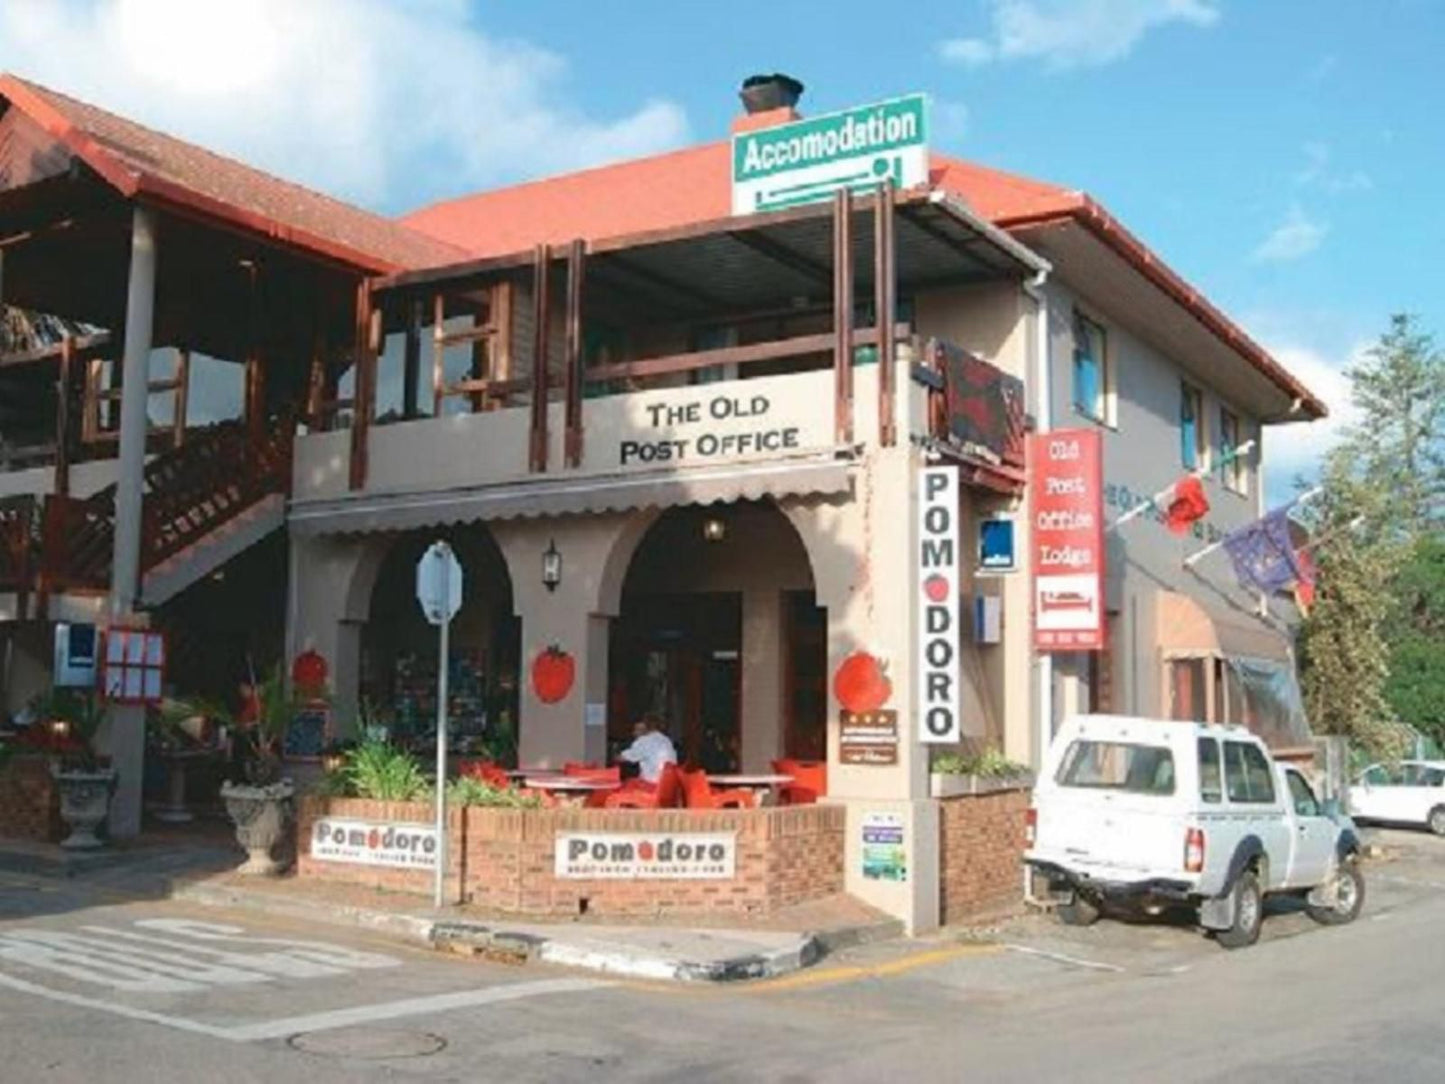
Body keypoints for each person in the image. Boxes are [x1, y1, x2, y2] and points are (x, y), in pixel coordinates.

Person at [616, 713, 677, 784]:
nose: (635, 733)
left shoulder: (644, 741)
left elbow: (624, 757)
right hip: (668, 783)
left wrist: (614, 757)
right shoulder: (666, 740)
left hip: (652, 783)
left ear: (646, 727)